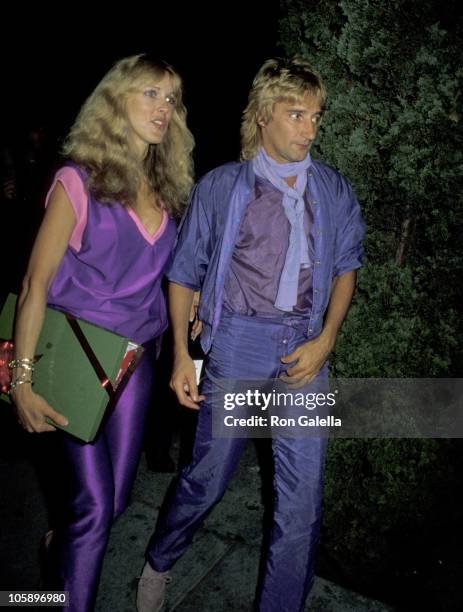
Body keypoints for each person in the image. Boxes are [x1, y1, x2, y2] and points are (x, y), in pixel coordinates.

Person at [137, 56, 365, 612]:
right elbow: (184, 273)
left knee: (302, 502)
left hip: (306, 346)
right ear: (263, 116)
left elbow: (346, 267)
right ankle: (161, 559)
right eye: (296, 115)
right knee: (208, 478)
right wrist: (180, 359)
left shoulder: (332, 189)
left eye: (316, 116)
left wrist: (327, 339)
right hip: (239, 343)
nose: (310, 129)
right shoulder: (223, 187)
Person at [9, 53, 194, 611]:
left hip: (134, 363)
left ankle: (56, 551)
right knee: (92, 507)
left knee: (112, 504)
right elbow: (35, 282)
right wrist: (20, 380)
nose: (163, 108)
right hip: (77, 359)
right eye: (149, 94)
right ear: (116, 101)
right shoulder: (78, 178)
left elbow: (165, 273)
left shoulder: (166, 186)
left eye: (171, 97)